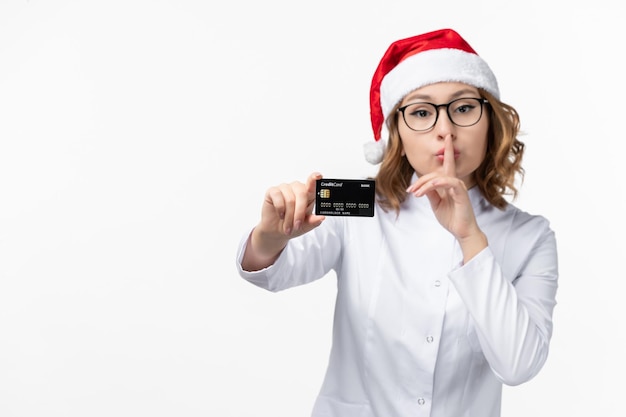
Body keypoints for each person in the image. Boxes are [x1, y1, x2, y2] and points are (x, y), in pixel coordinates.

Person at [235, 28, 558, 417]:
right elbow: (273, 272)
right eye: (421, 112)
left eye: (464, 107)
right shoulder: (358, 204)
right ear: (397, 134)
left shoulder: (531, 236)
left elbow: (519, 365)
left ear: (490, 121)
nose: (445, 129)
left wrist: (470, 238)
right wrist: (271, 237)